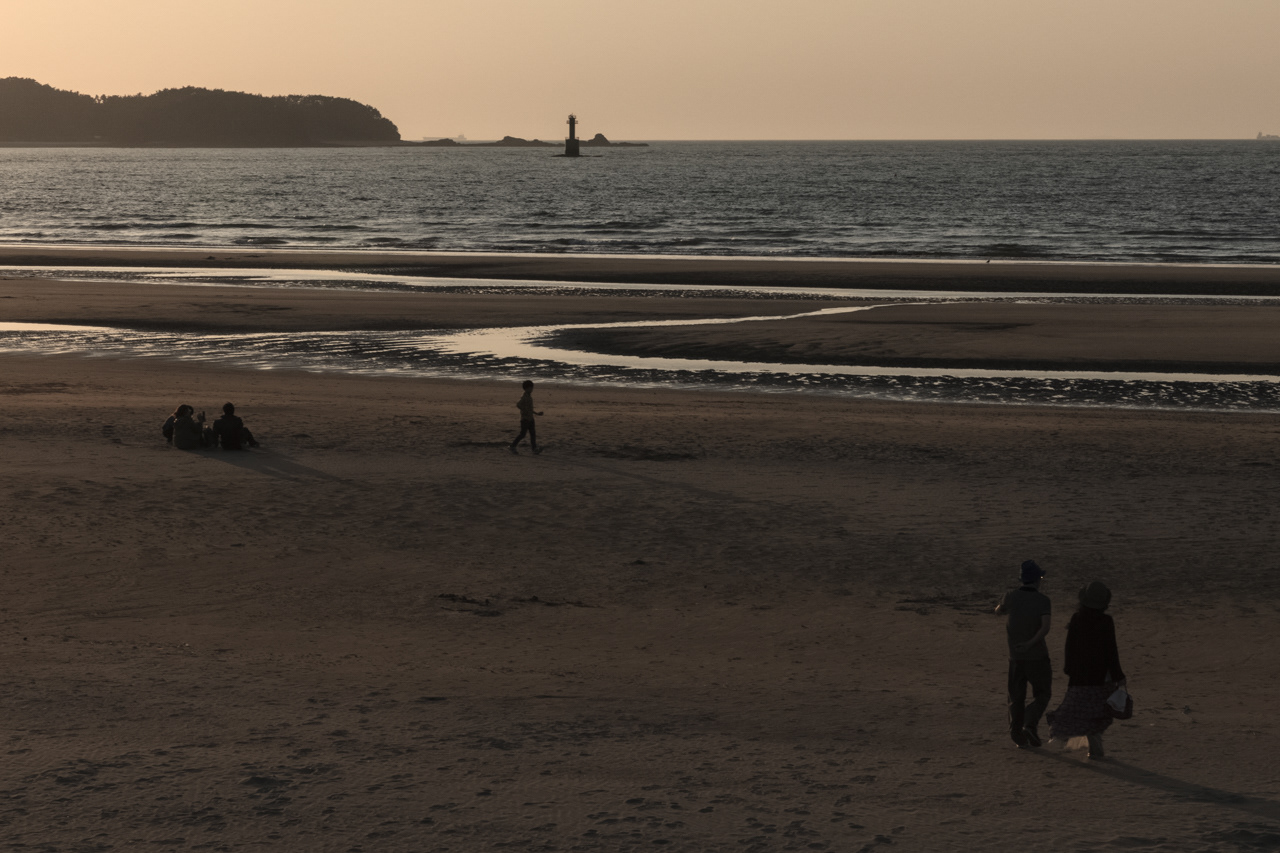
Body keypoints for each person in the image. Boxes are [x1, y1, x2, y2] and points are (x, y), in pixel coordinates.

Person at [1046, 581, 1126, 759]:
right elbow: (1111, 651)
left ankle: (1062, 737)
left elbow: (1070, 647)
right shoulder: (1106, 621)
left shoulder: (1077, 619)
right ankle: (1095, 747)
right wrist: (1118, 675)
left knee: (1074, 709)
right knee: (1098, 713)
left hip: (1080, 675)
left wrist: (1069, 668)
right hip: (1101, 676)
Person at [995, 559, 1052, 748]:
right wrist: (1030, 643)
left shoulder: (1011, 596)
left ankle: (1017, 731)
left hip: (1016, 657)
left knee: (1016, 697)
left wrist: (1003, 606)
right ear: (1037, 580)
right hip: (1037, 656)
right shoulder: (1043, 600)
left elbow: (998, 611)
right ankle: (1029, 722)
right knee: (1043, 694)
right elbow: (1045, 628)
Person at [508, 380, 544, 455]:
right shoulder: (524, 397)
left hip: (530, 418)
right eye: (531, 388)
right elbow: (518, 405)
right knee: (523, 434)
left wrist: (537, 413)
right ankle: (512, 446)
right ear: (526, 388)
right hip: (525, 419)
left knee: (532, 434)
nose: (532, 389)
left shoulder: (529, 397)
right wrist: (524, 411)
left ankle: (534, 449)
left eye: (532, 388)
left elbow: (529, 409)